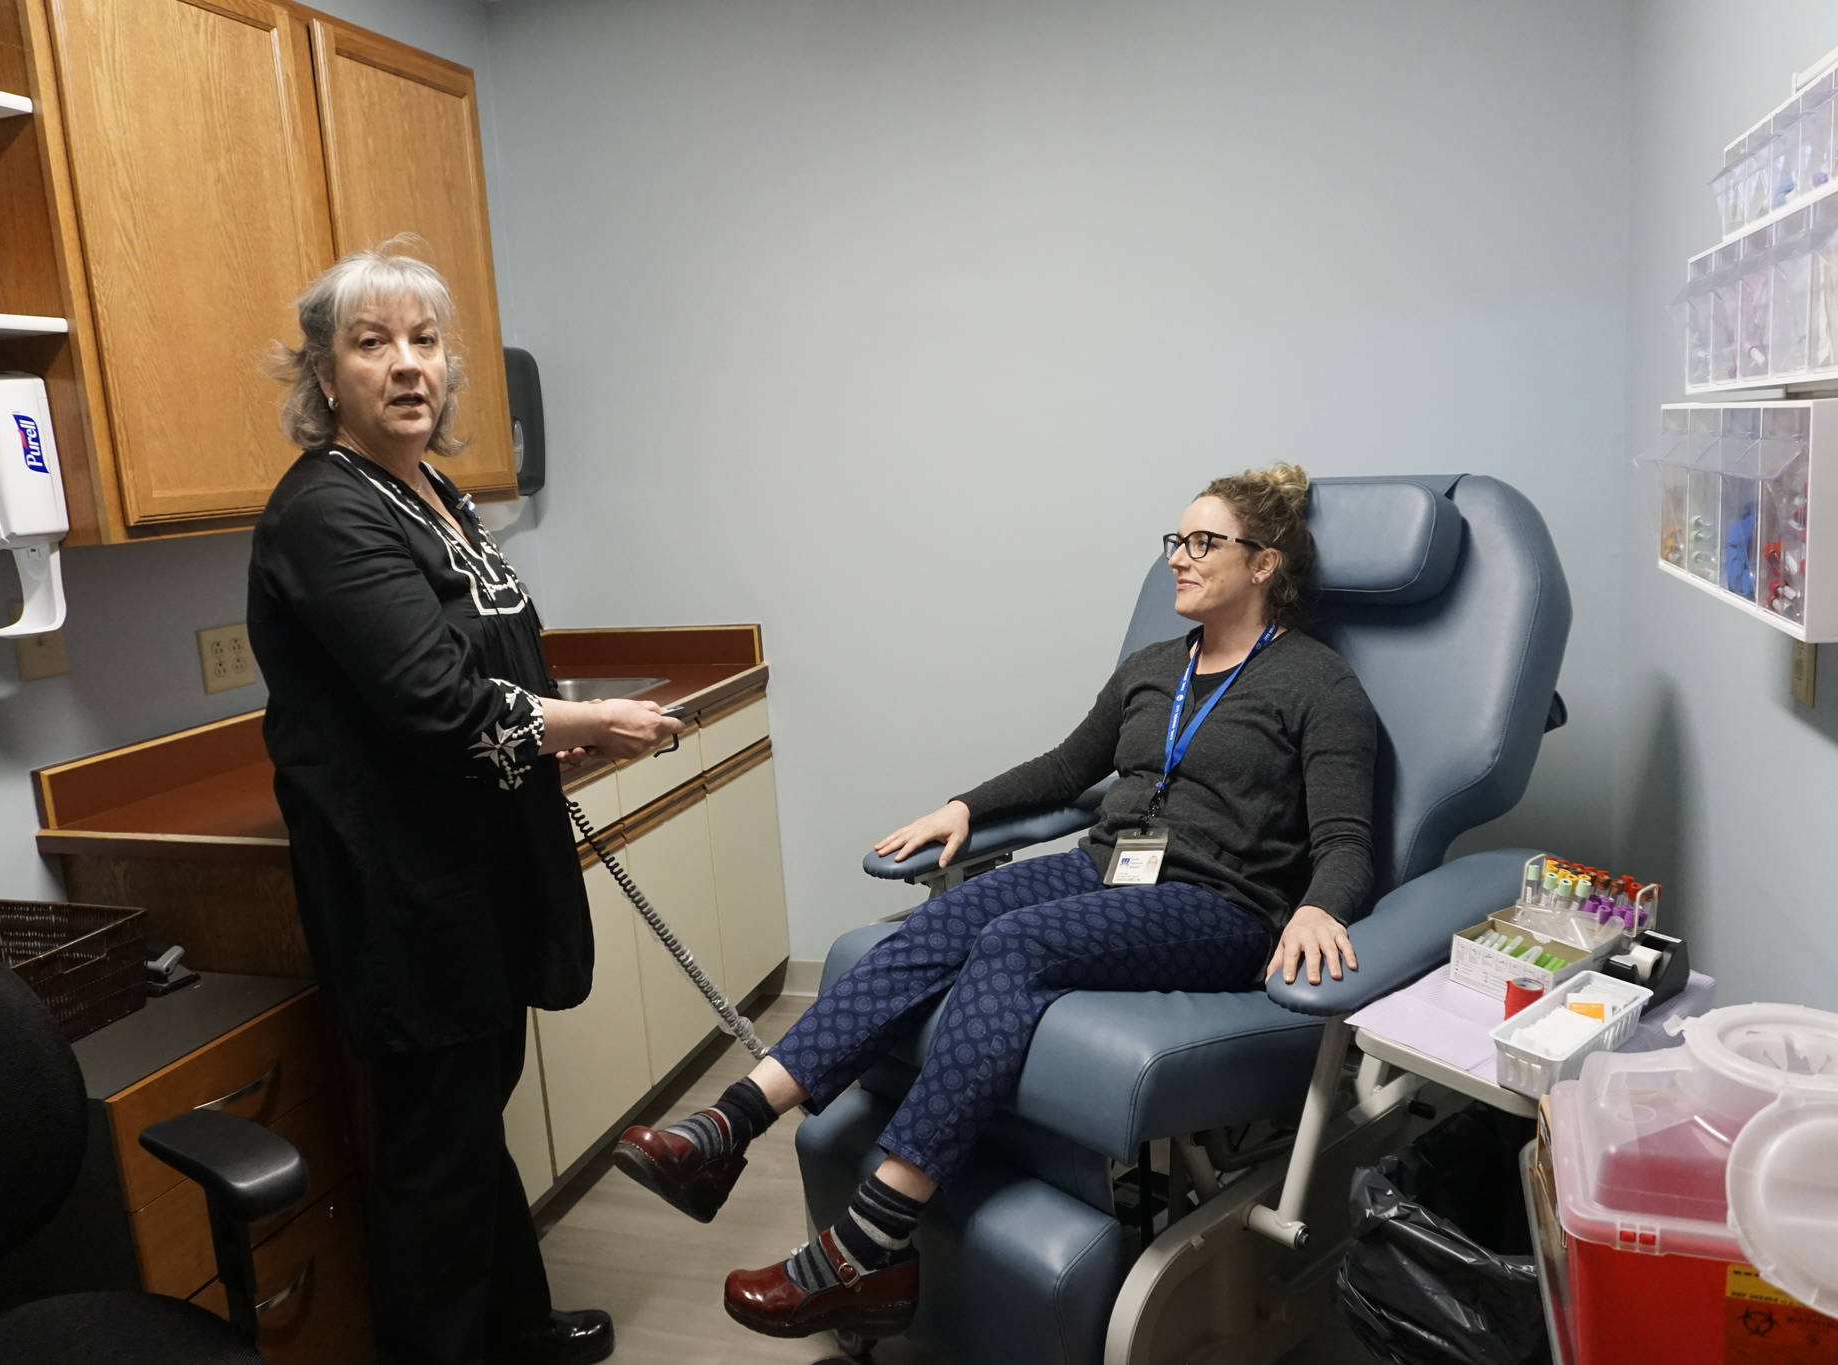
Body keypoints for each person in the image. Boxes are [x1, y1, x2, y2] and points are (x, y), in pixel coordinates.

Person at [614, 463, 1377, 1340]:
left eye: (1203, 542)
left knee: (1015, 943)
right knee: (945, 916)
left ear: (1265, 563)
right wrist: (965, 806)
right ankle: (726, 1128)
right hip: (1106, 867)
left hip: (1219, 904)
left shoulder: (1320, 685)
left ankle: (869, 1247)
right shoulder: (1154, 666)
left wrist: (1321, 906)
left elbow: (1346, 842)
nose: (1178, 557)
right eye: (1176, 540)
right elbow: (1064, 768)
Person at [246, 242, 683, 1365]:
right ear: (325, 373)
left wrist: (544, 739)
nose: (406, 366)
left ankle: (516, 1330)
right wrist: (584, 724)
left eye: (425, 342)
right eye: (371, 341)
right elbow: (434, 697)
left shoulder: (431, 491)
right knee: (432, 1160)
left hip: (476, 872)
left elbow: (495, 659)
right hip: (407, 896)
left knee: (468, 1123)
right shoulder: (324, 515)